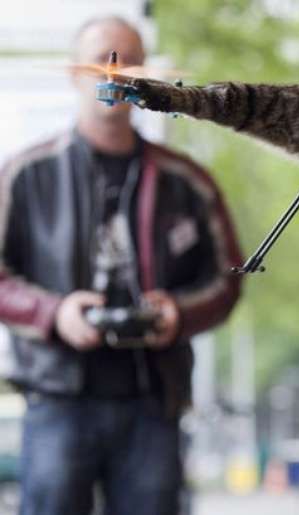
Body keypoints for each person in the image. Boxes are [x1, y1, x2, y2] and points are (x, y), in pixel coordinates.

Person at [0, 16, 243, 515]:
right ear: (73, 72)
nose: (115, 73)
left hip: (154, 399)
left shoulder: (188, 181)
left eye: (129, 60)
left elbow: (229, 279)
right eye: (101, 59)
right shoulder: (25, 175)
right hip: (56, 397)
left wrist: (178, 313)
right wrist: (55, 313)